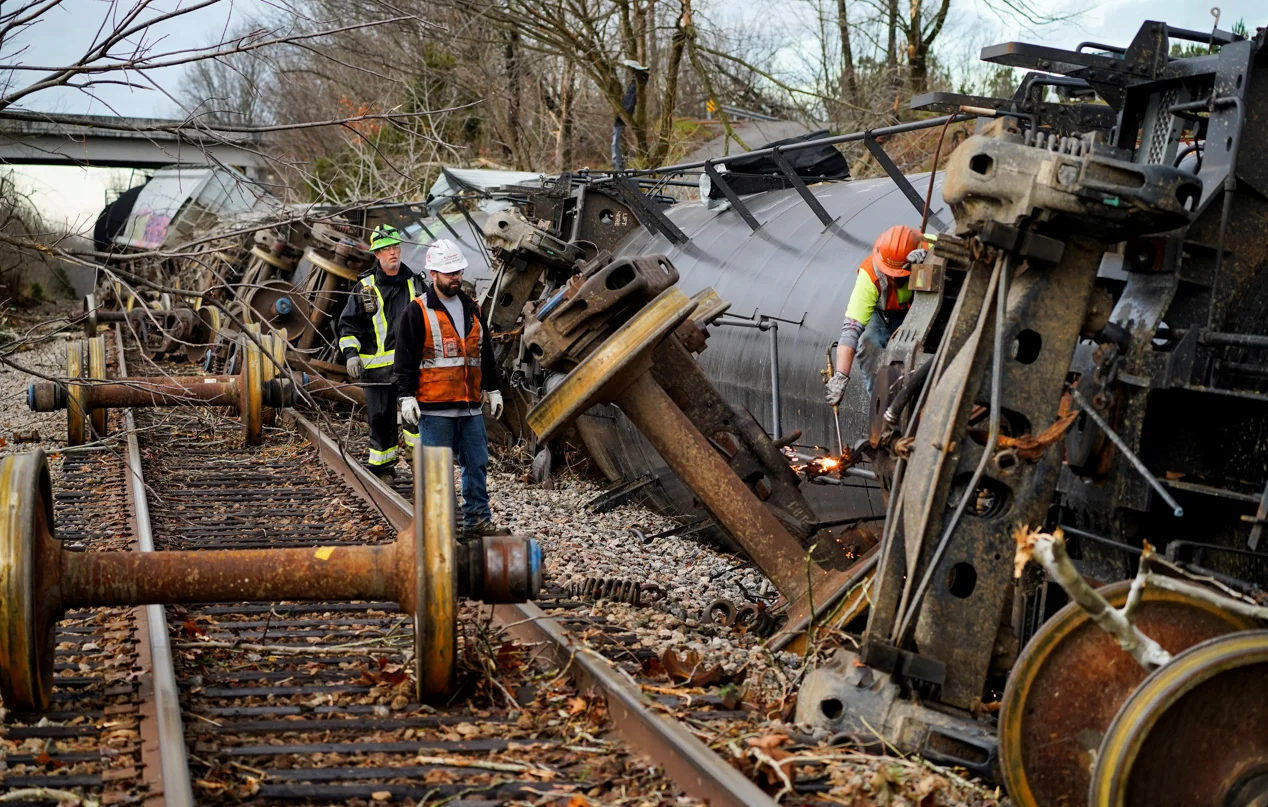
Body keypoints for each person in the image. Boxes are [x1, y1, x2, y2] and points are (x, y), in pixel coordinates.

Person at [393, 238, 505, 538]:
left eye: (458, 271)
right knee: (437, 472)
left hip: (470, 406)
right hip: (435, 408)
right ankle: (439, 530)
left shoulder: (473, 309)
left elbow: (485, 354)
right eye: (449, 273)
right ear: (433, 274)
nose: (455, 277)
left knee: (477, 464)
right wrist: (406, 396)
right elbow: (404, 359)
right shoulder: (417, 311)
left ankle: (477, 520)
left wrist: (493, 389)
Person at [337, 223, 422, 479]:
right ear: (377, 254)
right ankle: (383, 469)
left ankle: (422, 467)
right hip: (376, 371)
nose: (392, 252)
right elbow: (349, 325)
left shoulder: (415, 284)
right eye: (386, 249)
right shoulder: (365, 287)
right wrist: (351, 354)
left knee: (416, 419)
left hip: (409, 369)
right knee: (380, 419)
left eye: (395, 246)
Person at [826, 225, 927, 405]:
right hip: (883, 316)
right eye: (890, 274)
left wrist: (933, 261)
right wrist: (841, 376)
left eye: (900, 274)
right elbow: (850, 330)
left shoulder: (930, 246)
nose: (894, 278)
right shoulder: (870, 275)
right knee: (869, 343)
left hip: (922, 310)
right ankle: (880, 405)